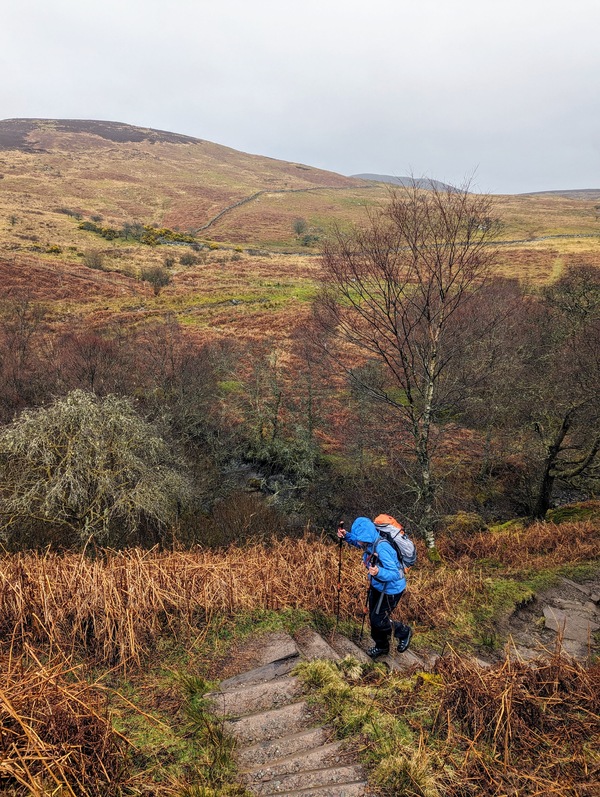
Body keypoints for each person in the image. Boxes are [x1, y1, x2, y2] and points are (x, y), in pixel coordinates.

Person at [338, 516, 413, 658]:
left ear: (366, 536)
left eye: (360, 538)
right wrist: (346, 536)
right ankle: (382, 646)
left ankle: (404, 632)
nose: (359, 542)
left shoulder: (382, 547)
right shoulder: (369, 541)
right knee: (374, 619)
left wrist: (379, 572)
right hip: (377, 585)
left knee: (379, 620)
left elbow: (396, 574)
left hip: (391, 590)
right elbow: (358, 542)